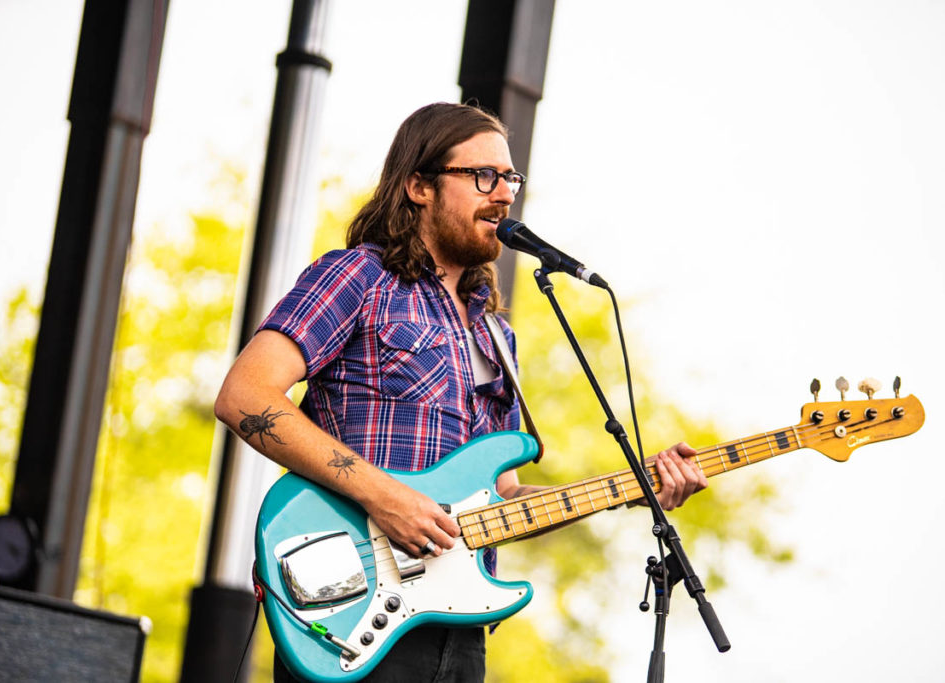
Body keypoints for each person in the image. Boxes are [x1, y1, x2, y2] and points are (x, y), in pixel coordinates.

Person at [214, 102, 708, 682]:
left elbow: (502, 498)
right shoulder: (359, 277)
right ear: (419, 186)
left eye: (510, 178)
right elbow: (245, 395)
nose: (503, 195)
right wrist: (386, 497)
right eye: (483, 176)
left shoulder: (496, 334)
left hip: (459, 632)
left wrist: (629, 490)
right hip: (351, 611)